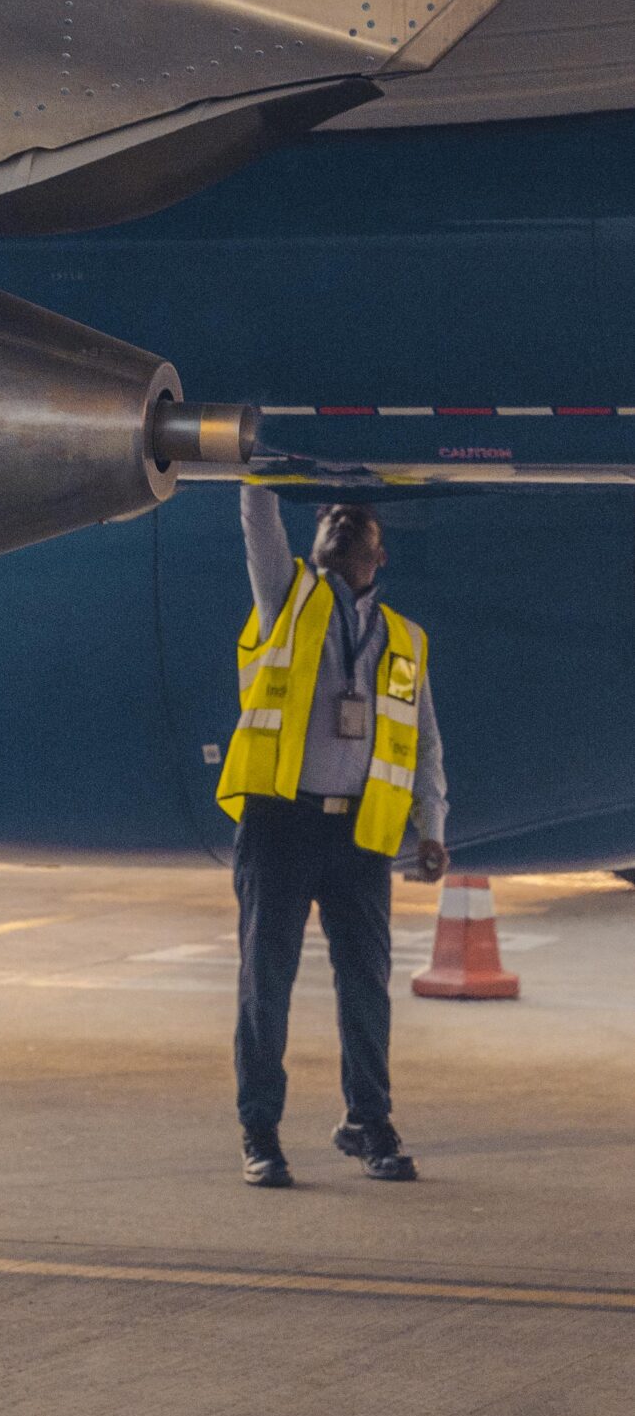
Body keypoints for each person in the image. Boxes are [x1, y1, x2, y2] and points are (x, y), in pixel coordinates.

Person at [217, 487, 448, 1190]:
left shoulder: (403, 641)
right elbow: (256, 513)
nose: (340, 519)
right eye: (329, 517)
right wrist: (258, 454)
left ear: (378, 557)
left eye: (357, 522)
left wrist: (431, 828)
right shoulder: (285, 600)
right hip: (280, 823)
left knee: (365, 989)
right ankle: (260, 1131)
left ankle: (368, 1124)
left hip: (358, 835)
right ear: (315, 543)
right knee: (268, 984)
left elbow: (425, 743)